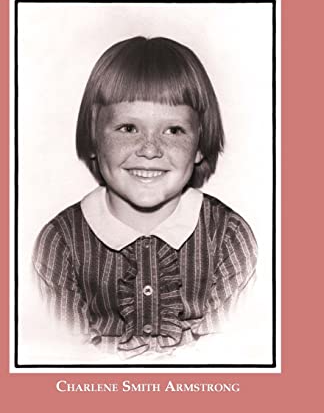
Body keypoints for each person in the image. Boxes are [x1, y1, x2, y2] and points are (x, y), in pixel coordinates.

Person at [33, 36, 257, 360]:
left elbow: (232, 355)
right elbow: (58, 356)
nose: (150, 149)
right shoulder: (60, 245)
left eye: (173, 131)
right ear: (94, 136)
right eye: (128, 128)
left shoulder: (230, 239)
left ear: (199, 143)